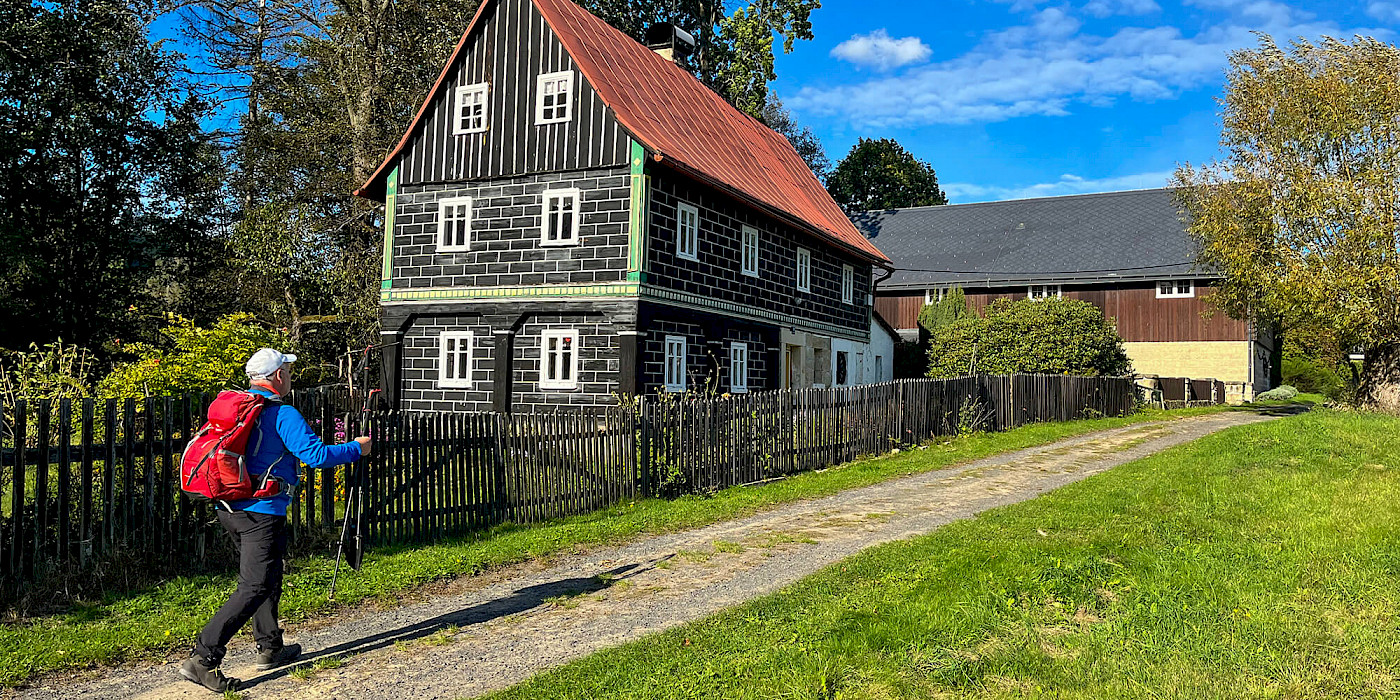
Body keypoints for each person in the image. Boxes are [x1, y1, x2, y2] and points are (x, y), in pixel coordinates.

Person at [180, 348, 370, 693]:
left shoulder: (238, 410)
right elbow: (316, 456)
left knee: (267, 576)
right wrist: (357, 448)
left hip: (229, 508)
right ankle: (203, 659)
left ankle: (271, 647)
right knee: (254, 585)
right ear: (278, 375)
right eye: (287, 369)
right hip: (260, 512)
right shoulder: (281, 413)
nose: (290, 375)